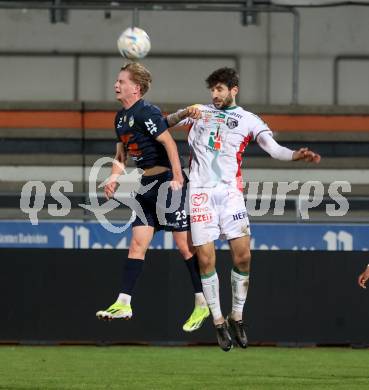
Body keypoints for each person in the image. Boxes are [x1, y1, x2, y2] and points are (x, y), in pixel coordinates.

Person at [166, 67, 321, 351]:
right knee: (205, 260)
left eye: (220, 89)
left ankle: (236, 316)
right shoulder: (197, 111)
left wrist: (295, 155)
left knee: (244, 256)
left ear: (233, 90)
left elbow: (273, 149)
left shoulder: (248, 119)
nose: (214, 94)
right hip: (200, 194)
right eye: (212, 89)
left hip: (230, 195)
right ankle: (218, 323)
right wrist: (182, 114)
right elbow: (163, 124)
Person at [96, 62, 209, 332]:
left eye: (121, 81)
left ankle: (202, 302)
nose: (116, 84)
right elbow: (121, 154)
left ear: (136, 88)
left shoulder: (147, 111)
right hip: (146, 185)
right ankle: (124, 303)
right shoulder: (120, 118)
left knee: (184, 247)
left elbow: (169, 142)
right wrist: (113, 176)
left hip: (167, 182)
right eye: (117, 80)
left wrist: (178, 176)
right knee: (137, 244)